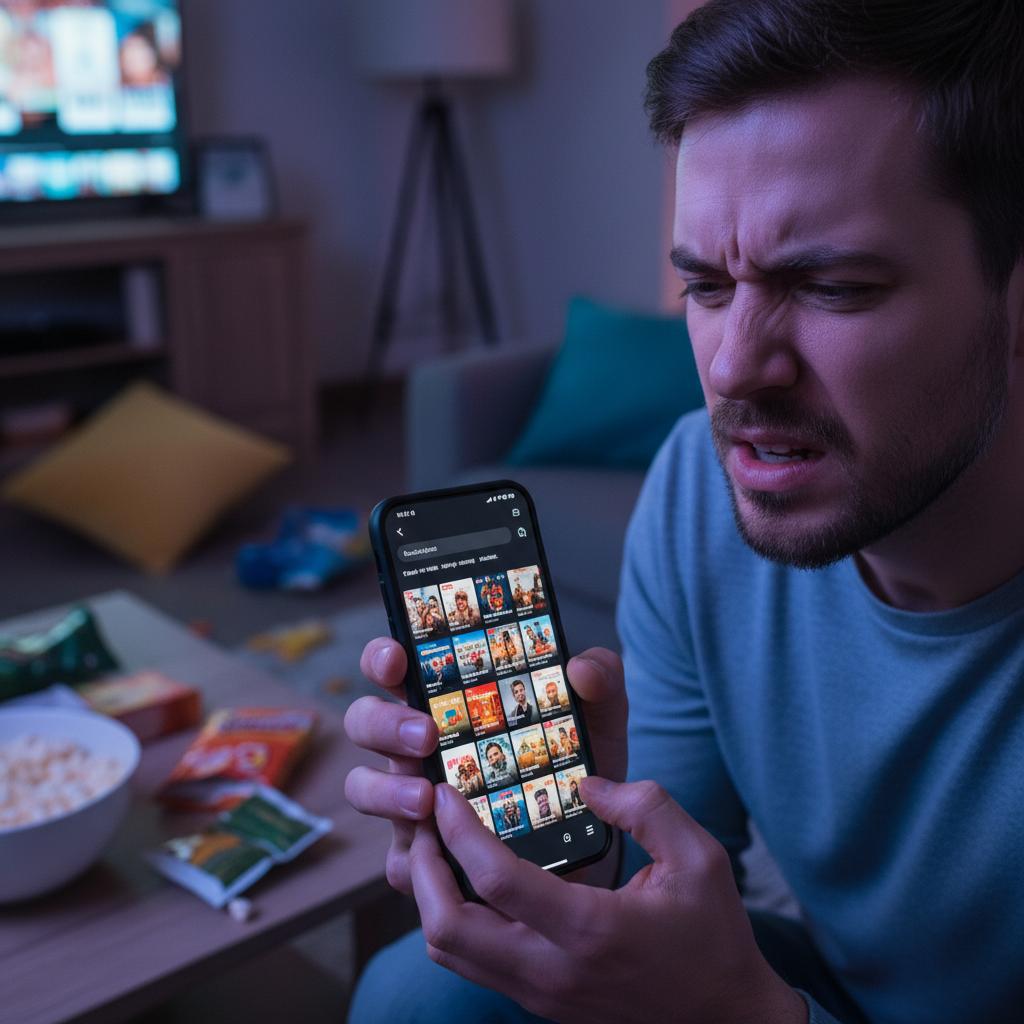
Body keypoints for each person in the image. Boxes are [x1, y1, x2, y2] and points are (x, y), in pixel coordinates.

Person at [344, 2, 1024, 1021]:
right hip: (842, 982)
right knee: (419, 995)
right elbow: (672, 878)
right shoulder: (703, 486)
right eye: (705, 286)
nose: (733, 366)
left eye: (832, 285)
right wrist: (576, 880)